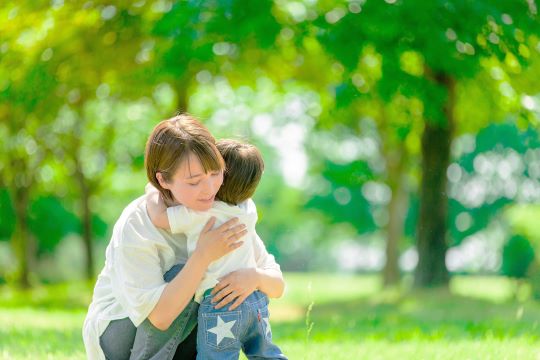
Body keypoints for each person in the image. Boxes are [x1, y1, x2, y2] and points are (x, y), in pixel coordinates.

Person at [83, 114, 285, 360]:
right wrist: (202, 256)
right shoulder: (137, 223)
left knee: (220, 285)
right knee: (184, 274)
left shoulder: (226, 210)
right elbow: (160, 317)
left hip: (182, 330)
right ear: (163, 179)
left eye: (215, 173)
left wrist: (253, 277)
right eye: (194, 181)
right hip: (121, 335)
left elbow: (276, 283)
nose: (209, 189)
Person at [146, 139, 287, 359]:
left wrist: (152, 190)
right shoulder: (248, 209)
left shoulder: (201, 214)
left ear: (221, 178)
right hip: (255, 299)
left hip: (222, 303)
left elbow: (159, 218)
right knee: (266, 353)